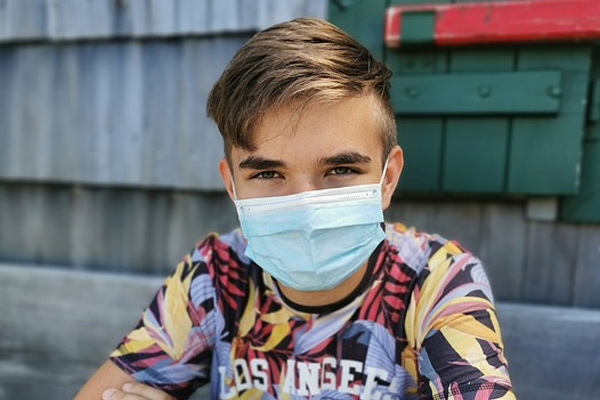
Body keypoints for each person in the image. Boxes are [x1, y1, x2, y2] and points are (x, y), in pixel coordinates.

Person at [74, 17, 515, 400]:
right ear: (232, 185)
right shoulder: (216, 275)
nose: (305, 204)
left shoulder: (436, 281)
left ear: (387, 178)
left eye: (340, 169)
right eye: (268, 173)